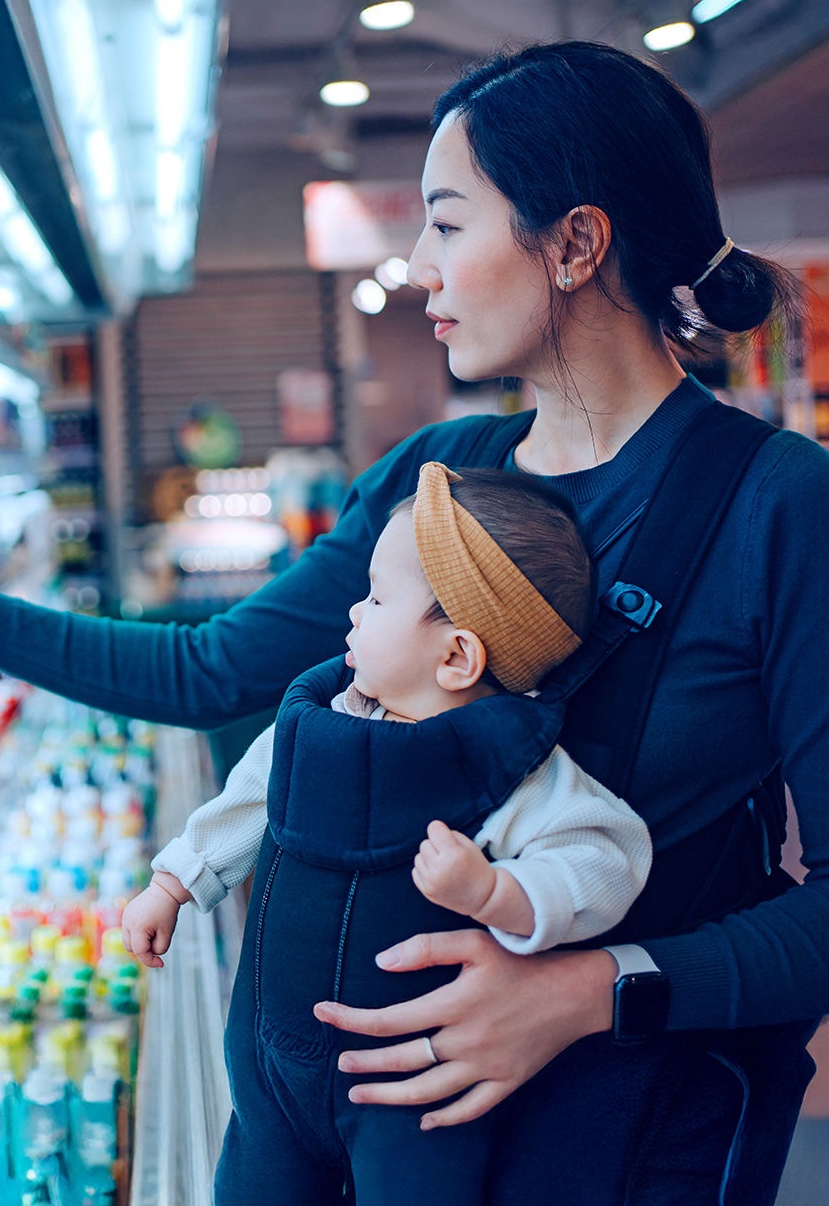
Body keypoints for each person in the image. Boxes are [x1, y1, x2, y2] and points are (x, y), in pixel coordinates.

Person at [0, 42, 829, 1204]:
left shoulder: (781, 507)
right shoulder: (436, 475)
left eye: (449, 224)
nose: (417, 267)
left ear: (574, 243)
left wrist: (586, 991)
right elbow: (214, 670)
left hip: (618, 1139)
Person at [120, 462, 652, 1204]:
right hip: (271, 1072)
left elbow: (607, 854)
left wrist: (501, 892)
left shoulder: (506, 767)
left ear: (457, 656)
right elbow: (249, 798)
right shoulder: (320, 721)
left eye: (376, 596)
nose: (354, 613)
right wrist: (174, 882)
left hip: (410, 1088)